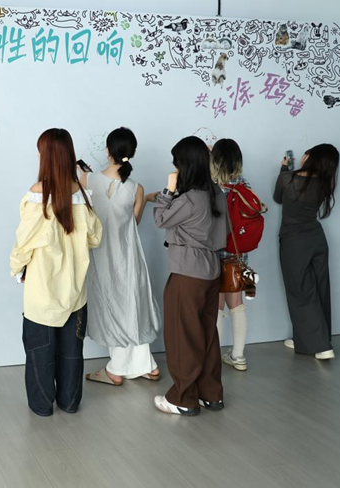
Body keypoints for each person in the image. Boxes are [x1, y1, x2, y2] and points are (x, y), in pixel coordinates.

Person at [9, 128, 102, 417]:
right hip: (75, 290)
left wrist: (17, 270)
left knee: (39, 352)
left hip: (42, 290)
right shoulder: (82, 195)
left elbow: (23, 244)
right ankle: (70, 403)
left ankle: (42, 406)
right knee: (72, 353)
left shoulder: (36, 195)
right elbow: (95, 238)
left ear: (45, 156)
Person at [147, 136, 227, 416]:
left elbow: (160, 219)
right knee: (207, 334)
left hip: (187, 273)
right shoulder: (216, 193)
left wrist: (168, 191)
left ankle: (183, 397)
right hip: (211, 271)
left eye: (177, 163)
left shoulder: (191, 198)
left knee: (182, 335)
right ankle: (210, 393)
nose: (175, 169)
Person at [81, 127, 161, 386]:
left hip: (99, 254)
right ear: (132, 153)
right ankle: (146, 364)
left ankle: (116, 369)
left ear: (107, 150)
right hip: (127, 255)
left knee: (110, 305)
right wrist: (145, 199)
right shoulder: (136, 188)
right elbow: (133, 223)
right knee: (131, 304)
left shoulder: (86, 180)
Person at [274, 144, 340, 360]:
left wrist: (284, 169)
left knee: (300, 290)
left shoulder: (288, 178)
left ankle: (321, 345)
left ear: (309, 157)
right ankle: (308, 339)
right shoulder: (324, 183)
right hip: (317, 239)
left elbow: (278, 198)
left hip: (294, 241)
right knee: (320, 288)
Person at [210, 139, 250, 372]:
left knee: (216, 305)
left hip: (215, 252)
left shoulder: (212, 187)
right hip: (239, 253)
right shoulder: (244, 184)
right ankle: (238, 356)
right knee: (237, 303)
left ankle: (214, 356)